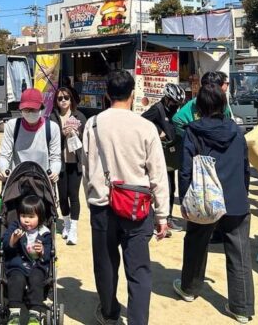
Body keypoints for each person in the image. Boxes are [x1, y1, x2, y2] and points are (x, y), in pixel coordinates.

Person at [82, 70, 169, 325]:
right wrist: (162, 214)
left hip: (102, 207)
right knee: (139, 270)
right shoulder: (146, 127)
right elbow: (158, 174)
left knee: (105, 265)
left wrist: (92, 193)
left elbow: (86, 167)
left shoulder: (93, 124)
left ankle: (109, 313)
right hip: (137, 208)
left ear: (107, 94)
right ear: (133, 94)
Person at [175, 84, 254, 323]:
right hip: (235, 198)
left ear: (199, 107)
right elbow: (245, 166)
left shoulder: (193, 131)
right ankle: (241, 308)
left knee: (196, 242)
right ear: (223, 105)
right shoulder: (236, 131)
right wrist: (243, 192)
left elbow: (186, 170)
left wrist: (185, 199)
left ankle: (189, 288)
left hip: (204, 199)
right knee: (239, 253)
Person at [141, 82, 186, 232]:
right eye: (173, 102)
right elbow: (142, 121)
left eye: (178, 103)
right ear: (166, 99)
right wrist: (158, 130)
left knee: (171, 187)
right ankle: (158, 220)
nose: (176, 105)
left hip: (171, 155)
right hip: (159, 154)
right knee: (161, 186)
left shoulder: (175, 110)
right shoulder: (157, 109)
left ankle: (168, 217)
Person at [3, 195, 53, 325]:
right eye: (23, 216)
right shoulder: (15, 227)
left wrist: (42, 250)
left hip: (36, 265)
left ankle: (35, 314)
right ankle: (14, 313)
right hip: (18, 264)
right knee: (16, 279)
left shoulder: (44, 232)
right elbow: (6, 246)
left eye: (31, 217)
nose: (26, 220)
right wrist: (13, 239)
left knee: (37, 279)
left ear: (40, 217)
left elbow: (48, 253)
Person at [49, 86, 87, 245]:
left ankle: (74, 230)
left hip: (75, 162)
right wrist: (62, 135)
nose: (63, 101)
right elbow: (49, 139)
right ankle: (66, 223)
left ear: (71, 99)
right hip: (60, 163)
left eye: (66, 97)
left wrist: (76, 134)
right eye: (60, 98)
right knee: (62, 196)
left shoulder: (79, 117)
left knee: (74, 196)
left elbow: (86, 140)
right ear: (56, 102)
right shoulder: (53, 118)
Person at [0, 88, 62, 183]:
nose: (30, 113)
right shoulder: (12, 126)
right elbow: (4, 155)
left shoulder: (52, 128)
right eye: (26, 110)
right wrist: (3, 169)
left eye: (33, 109)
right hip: (17, 182)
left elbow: (55, 158)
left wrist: (54, 172)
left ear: (41, 108)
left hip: (43, 183)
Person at [171, 71, 232, 137]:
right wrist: (192, 137)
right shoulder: (194, 104)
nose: (225, 88)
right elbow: (177, 119)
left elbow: (227, 126)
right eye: (225, 84)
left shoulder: (223, 106)